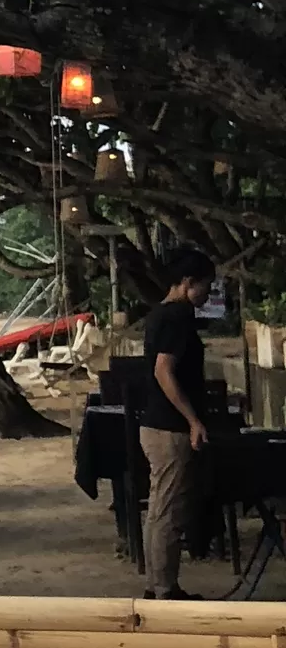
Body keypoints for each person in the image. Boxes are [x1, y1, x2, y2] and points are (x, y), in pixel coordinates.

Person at [139, 245, 218, 599]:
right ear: (188, 282)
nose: (208, 294)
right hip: (169, 427)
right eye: (206, 286)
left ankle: (160, 583)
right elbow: (164, 370)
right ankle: (164, 589)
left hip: (159, 424)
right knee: (167, 510)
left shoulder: (161, 315)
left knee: (161, 507)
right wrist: (192, 419)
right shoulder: (176, 317)